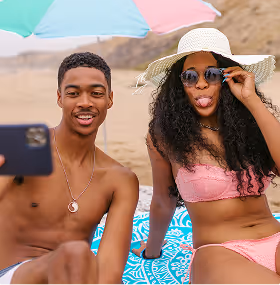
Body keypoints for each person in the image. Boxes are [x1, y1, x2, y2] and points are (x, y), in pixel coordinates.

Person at [132, 28, 280, 285]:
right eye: (190, 77)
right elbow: (163, 200)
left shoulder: (252, 123)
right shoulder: (165, 136)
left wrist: (251, 100)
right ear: (179, 85)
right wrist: (151, 249)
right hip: (220, 252)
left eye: (211, 74)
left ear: (227, 76)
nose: (201, 83)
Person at [0, 52, 139, 285]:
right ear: (59, 98)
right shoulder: (27, 146)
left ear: (110, 99)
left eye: (96, 94)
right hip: (11, 275)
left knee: (80, 260)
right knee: (74, 254)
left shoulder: (120, 180)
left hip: (75, 276)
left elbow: (109, 272)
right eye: (73, 94)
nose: (85, 102)